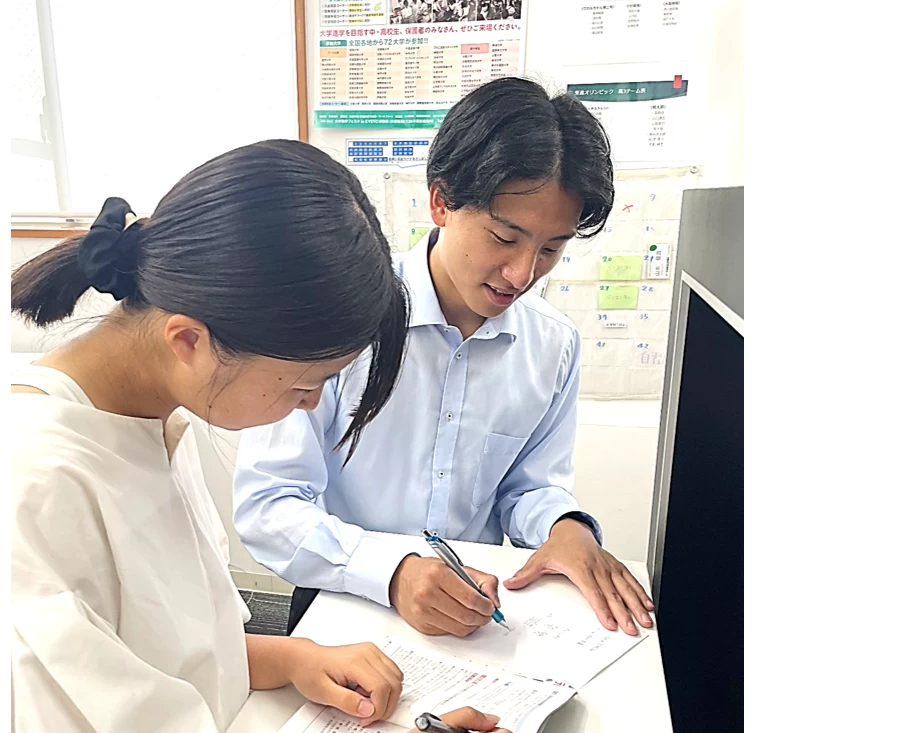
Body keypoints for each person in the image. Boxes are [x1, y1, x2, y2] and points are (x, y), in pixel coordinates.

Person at [10, 139, 509, 733]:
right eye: (305, 383)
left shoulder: (153, 418)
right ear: (189, 341)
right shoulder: (32, 485)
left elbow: (163, 655)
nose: (314, 402)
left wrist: (292, 656)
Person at [233, 79, 657, 640]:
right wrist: (391, 572)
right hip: (344, 603)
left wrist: (565, 527)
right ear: (441, 201)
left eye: (551, 248)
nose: (523, 274)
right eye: (505, 237)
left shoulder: (552, 344)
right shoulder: (342, 321)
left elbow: (528, 487)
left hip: (476, 614)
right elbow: (268, 504)